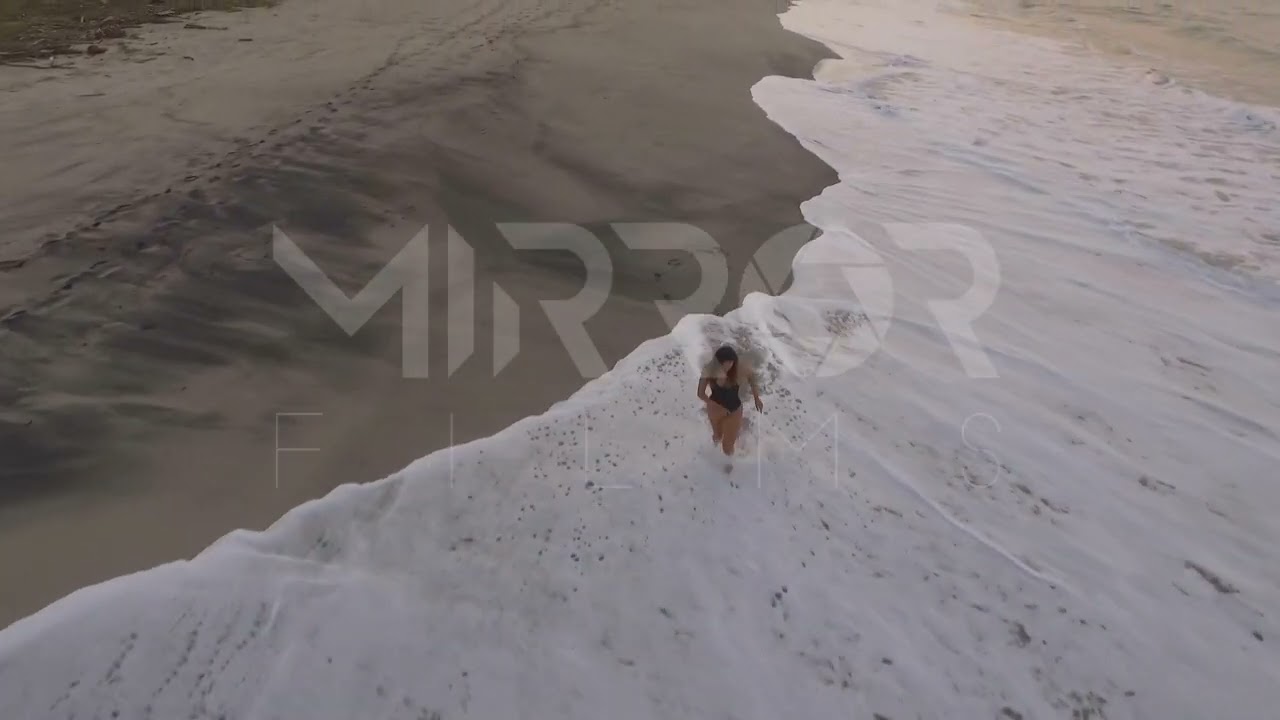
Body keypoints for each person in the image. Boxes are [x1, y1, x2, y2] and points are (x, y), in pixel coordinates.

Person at [696, 344, 763, 458]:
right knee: (717, 436)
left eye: (731, 363)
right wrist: (711, 403)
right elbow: (700, 393)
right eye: (724, 365)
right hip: (715, 410)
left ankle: (728, 465)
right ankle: (714, 457)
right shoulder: (709, 370)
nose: (728, 368)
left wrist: (757, 397)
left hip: (734, 410)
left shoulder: (739, 369)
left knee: (727, 445)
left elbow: (752, 377)